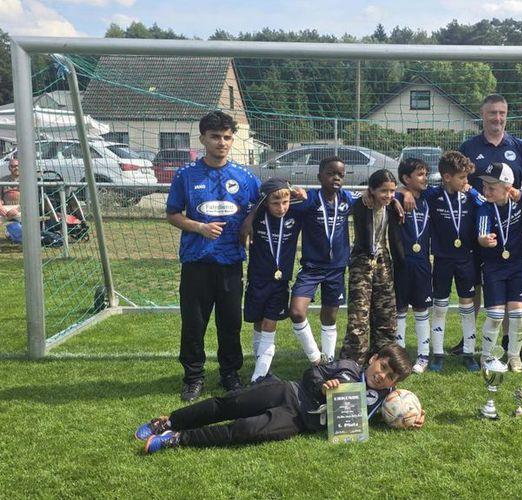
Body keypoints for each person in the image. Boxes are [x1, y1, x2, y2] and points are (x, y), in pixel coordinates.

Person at [136, 344, 423, 453]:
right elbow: (311, 372)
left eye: (390, 376)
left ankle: (177, 439)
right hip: (289, 392)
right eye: (382, 367)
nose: (382, 376)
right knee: (230, 404)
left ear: (395, 383)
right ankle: (169, 421)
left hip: (296, 420)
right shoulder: (348, 367)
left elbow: (397, 412)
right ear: (373, 359)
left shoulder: (386, 399)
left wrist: (411, 418)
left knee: (244, 430)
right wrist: (323, 385)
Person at [166, 111, 260, 401]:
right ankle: (193, 377)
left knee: (230, 322)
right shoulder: (186, 175)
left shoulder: (245, 176)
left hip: (231, 262)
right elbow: (172, 214)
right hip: (197, 261)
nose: (222, 142)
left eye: (227, 137)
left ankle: (230, 373)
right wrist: (200, 227)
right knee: (194, 323)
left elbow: (262, 203)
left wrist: (249, 222)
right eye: (215, 137)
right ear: (203, 138)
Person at [457, 93, 522, 356]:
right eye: (492, 113)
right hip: (475, 223)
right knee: (476, 284)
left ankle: (507, 341)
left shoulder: (520, 147)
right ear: (482, 114)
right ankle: (469, 339)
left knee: (508, 285)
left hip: (510, 228)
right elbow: (457, 180)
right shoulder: (468, 147)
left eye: (502, 113)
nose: (497, 118)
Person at [400, 151, 484, 372]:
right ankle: (437, 353)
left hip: (466, 259)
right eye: (462, 177)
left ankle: (469, 353)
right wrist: (405, 191)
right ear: (447, 177)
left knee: (467, 305)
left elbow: (488, 203)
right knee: (440, 306)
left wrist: (473, 190)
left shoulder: (470, 196)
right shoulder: (432, 195)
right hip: (442, 260)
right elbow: (408, 190)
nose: (466, 181)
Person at [287, 157, 357, 365]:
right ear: (319, 177)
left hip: (337, 269)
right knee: (296, 311)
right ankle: (316, 358)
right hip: (312, 267)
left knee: (330, 316)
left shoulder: (346, 198)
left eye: (340, 175)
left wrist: (399, 197)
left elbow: (375, 194)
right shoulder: (309, 199)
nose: (336, 178)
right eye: (331, 173)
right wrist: (293, 191)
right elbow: (279, 197)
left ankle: (329, 359)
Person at [243, 178, 306, 382]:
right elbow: (248, 212)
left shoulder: (295, 214)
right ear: (265, 202)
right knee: (258, 323)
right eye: (275, 203)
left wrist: (300, 191)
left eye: (285, 202)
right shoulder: (256, 216)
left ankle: (258, 376)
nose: (281, 208)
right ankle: (260, 366)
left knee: (270, 324)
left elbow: (312, 199)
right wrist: (250, 217)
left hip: (280, 282)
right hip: (257, 280)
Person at [340, 169, 402, 366]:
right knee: (359, 314)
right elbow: (343, 198)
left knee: (386, 311)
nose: (388, 195)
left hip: (383, 259)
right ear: (372, 190)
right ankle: (353, 362)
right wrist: (362, 195)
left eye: (392, 191)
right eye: (384, 191)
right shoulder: (362, 203)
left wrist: (396, 200)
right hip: (362, 260)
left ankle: (383, 358)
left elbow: (402, 196)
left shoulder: (391, 205)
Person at [475, 162, 522, 372]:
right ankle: (487, 356)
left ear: (508, 188)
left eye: (491, 187)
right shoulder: (485, 208)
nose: (486, 191)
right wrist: (484, 240)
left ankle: (514, 356)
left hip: (517, 266)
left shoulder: (521, 203)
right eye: (484, 186)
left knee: (519, 315)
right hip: (493, 267)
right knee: (496, 315)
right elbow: (481, 233)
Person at [392, 158, 434, 373]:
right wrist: (401, 193)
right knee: (399, 309)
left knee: (421, 308)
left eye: (426, 174)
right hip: (400, 263)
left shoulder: (428, 197)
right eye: (420, 174)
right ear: (406, 178)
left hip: (422, 264)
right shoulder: (397, 198)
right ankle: (399, 355)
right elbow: (380, 191)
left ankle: (423, 355)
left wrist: (408, 191)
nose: (425, 178)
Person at [1, 157, 21, 242]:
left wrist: (17, 209)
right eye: (12, 166)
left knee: (20, 236)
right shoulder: (3, 180)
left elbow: (30, 200)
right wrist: (0, 207)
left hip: (21, 209)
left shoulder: (27, 180)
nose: (16, 168)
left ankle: (12, 232)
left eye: (17, 166)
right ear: (9, 168)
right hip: (6, 209)